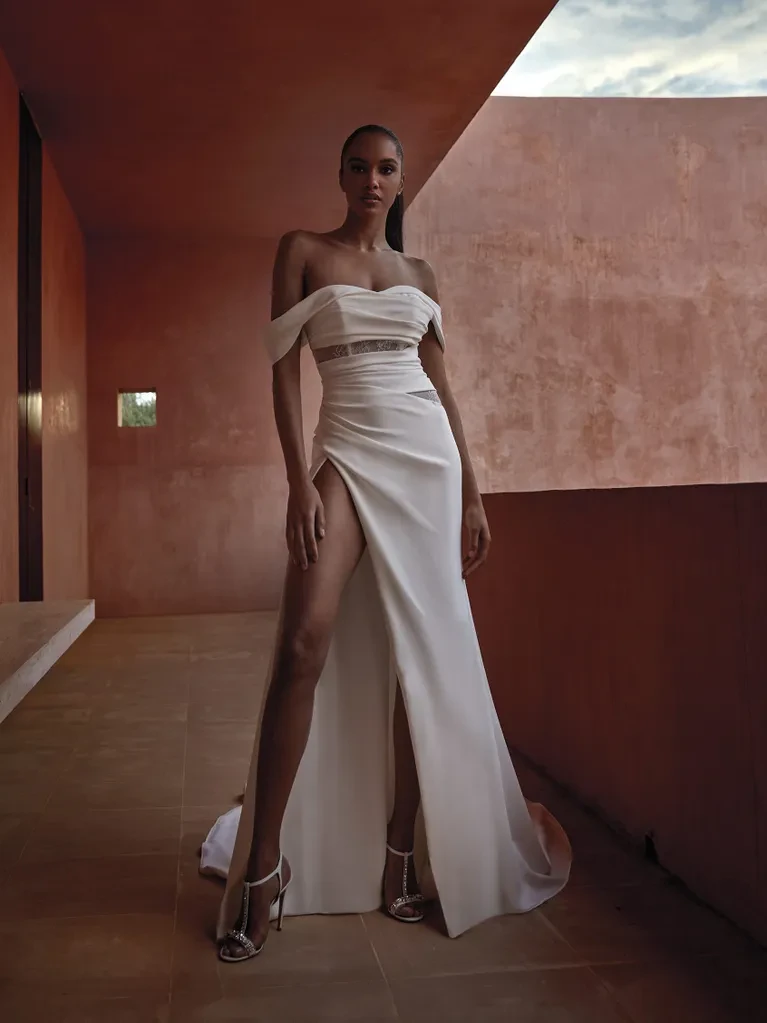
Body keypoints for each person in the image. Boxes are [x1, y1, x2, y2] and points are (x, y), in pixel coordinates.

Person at [201, 124, 571, 963]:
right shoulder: (300, 249)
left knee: (421, 660)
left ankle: (401, 857)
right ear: (339, 173)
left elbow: (441, 385)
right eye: (360, 166)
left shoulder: (421, 276)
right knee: (302, 644)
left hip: (427, 464)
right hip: (344, 453)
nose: (373, 180)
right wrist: (298, 479)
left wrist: (472, 487)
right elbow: (281, 369)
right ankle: (265, 866)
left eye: (387, 169)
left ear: (401, 181)